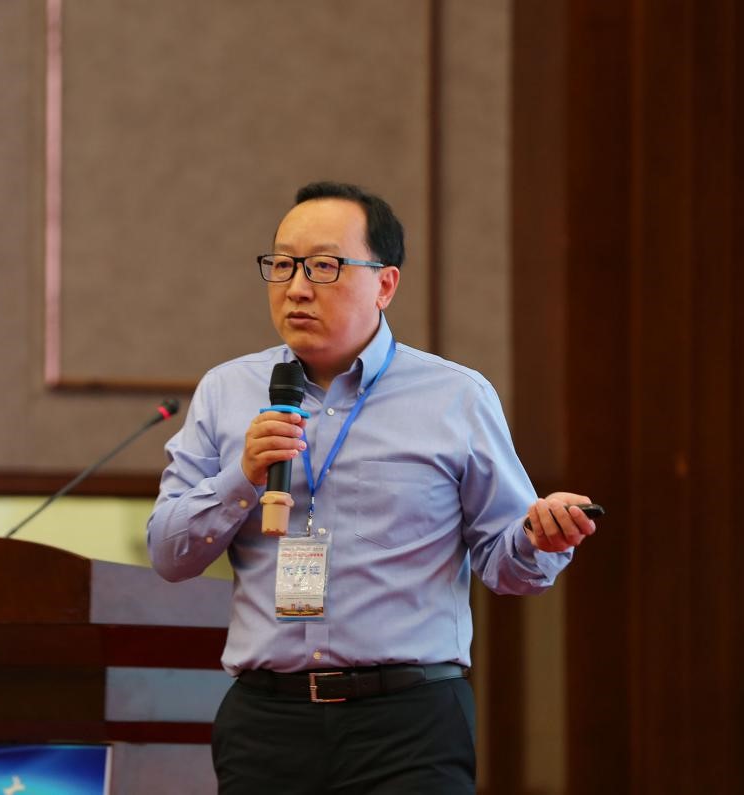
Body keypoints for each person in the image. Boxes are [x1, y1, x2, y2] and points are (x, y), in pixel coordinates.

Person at [146, 181, 596, 794]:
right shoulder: (227, 392)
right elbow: (169, 554)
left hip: (408, 724)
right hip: (267, 724)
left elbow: (506, 566)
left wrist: (542, 537)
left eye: (324, 266)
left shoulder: (456, 397)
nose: (296, 287)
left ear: (385, 284)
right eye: (283, 264)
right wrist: (242, 476)